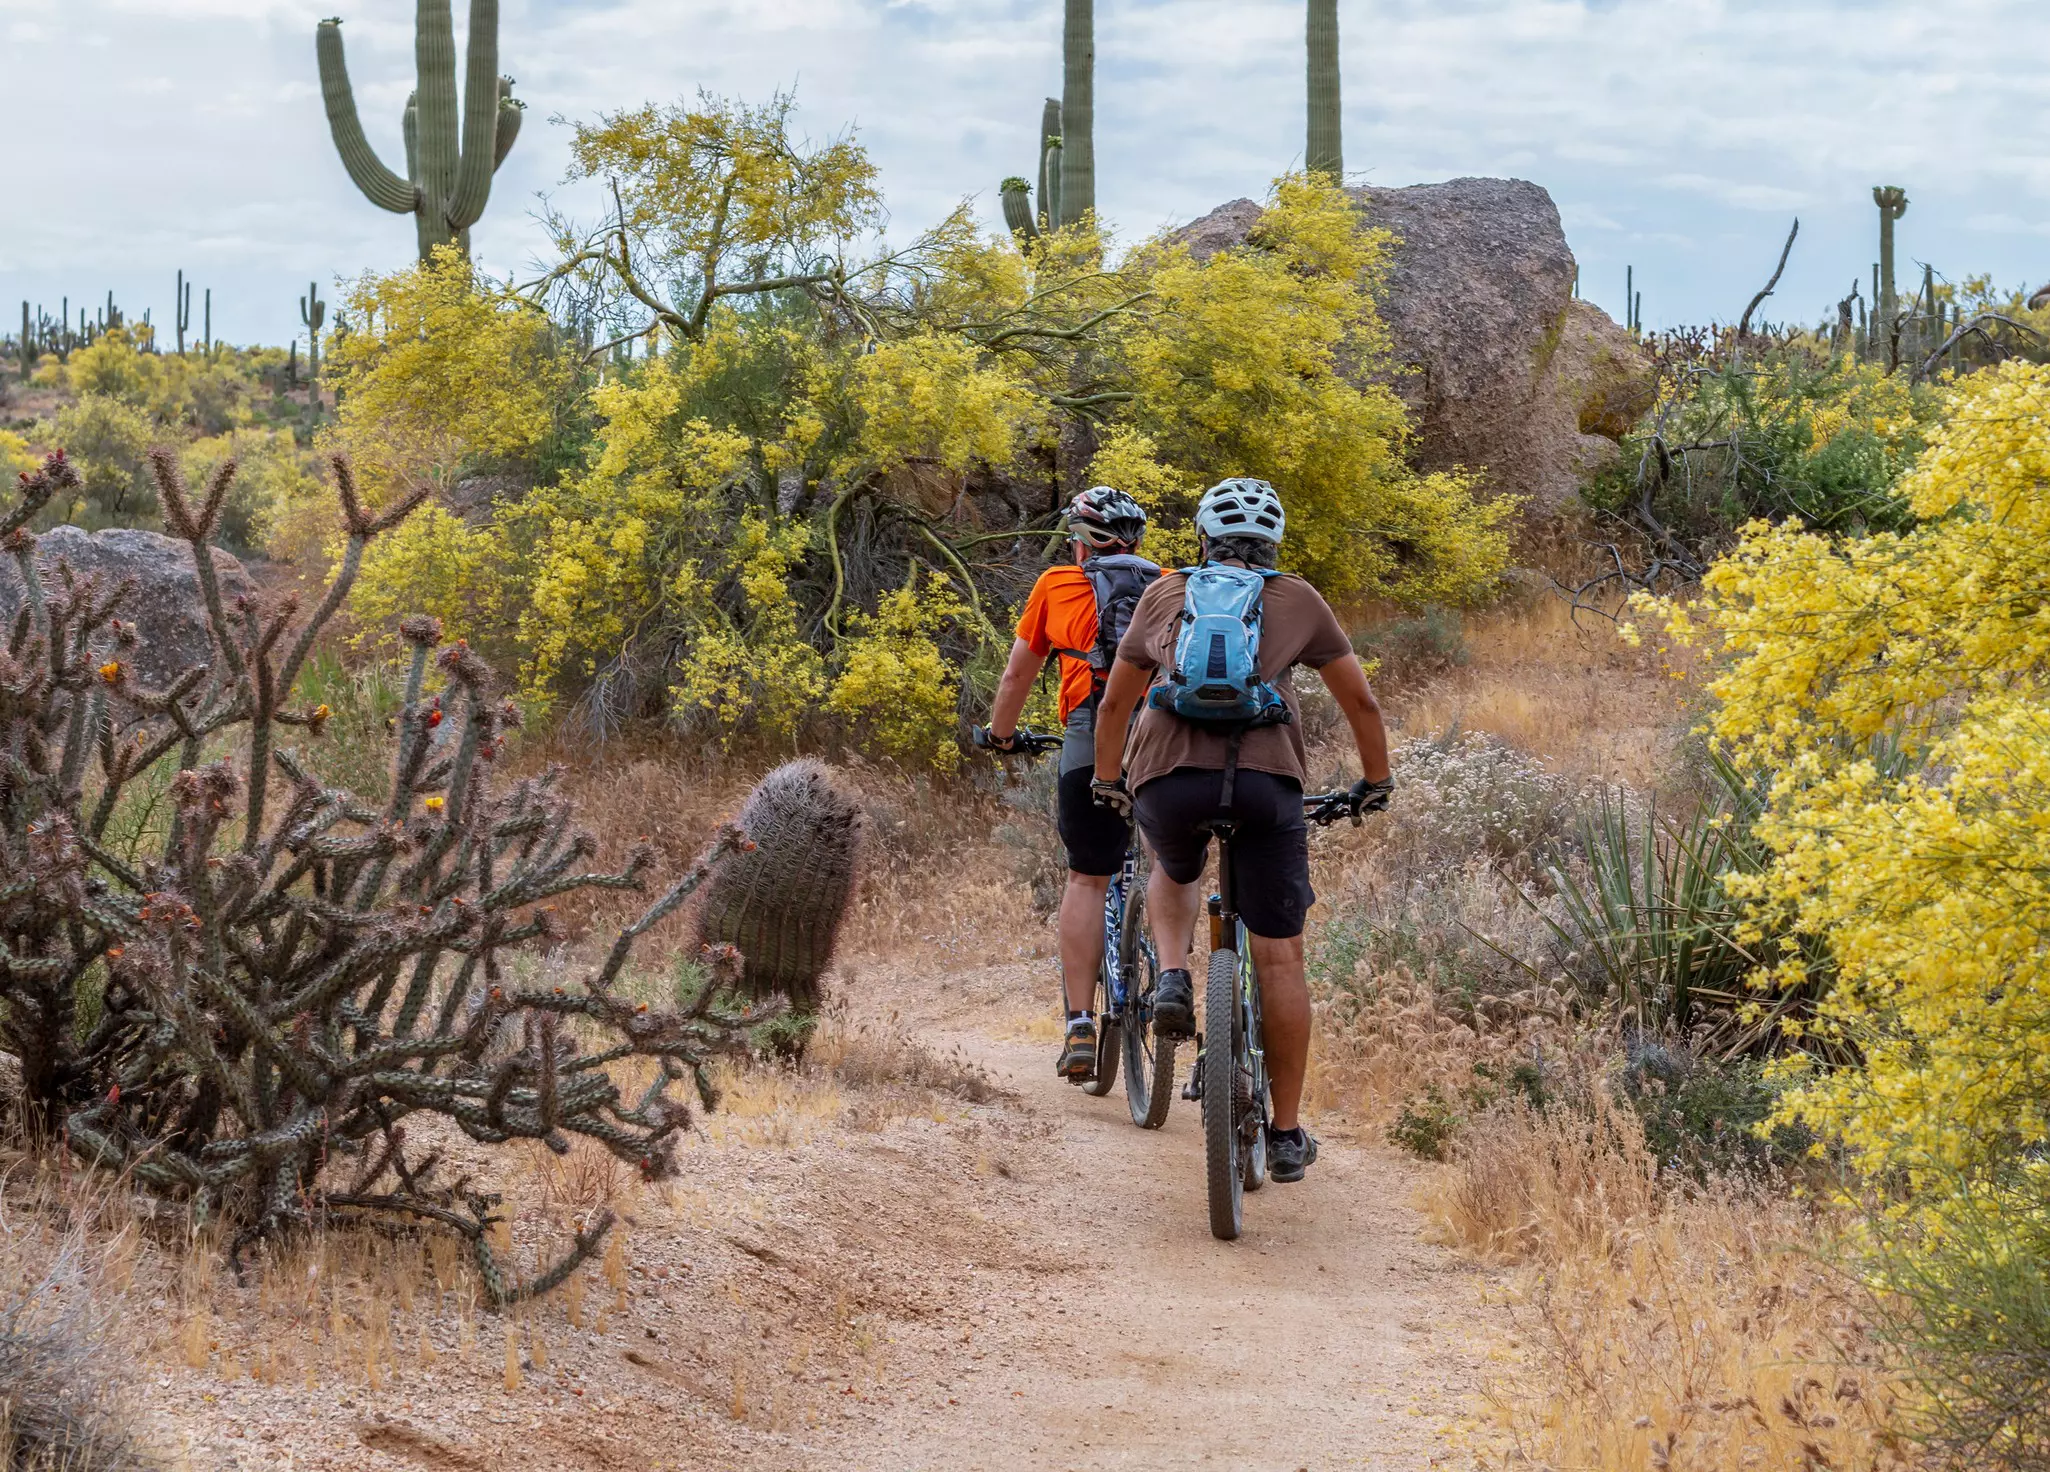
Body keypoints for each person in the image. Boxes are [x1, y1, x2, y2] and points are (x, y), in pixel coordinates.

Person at [1089, 478, 1393, 1183]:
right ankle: (1285, 1135)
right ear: (1275, 544)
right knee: (1281, 958)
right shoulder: (1300, 599)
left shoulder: (1168, 593)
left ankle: (1171, 977)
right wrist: (1375, 783)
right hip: (1266, 780)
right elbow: (1364, 703)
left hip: (1168, 775)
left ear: (1201, 538)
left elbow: (1114, 706)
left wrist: (1110, 778)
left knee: (1173, 867)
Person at [982, 486, 1161, 1080]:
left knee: (1088, 877)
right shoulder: (1168, 584)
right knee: (1171, 872)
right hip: (1165, 742)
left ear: (1081, 542)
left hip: (1089, 732)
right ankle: (1174, 990)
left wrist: (1001, 735)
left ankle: (1081, 1025)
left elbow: (1016, 675)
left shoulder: (1058, 586)